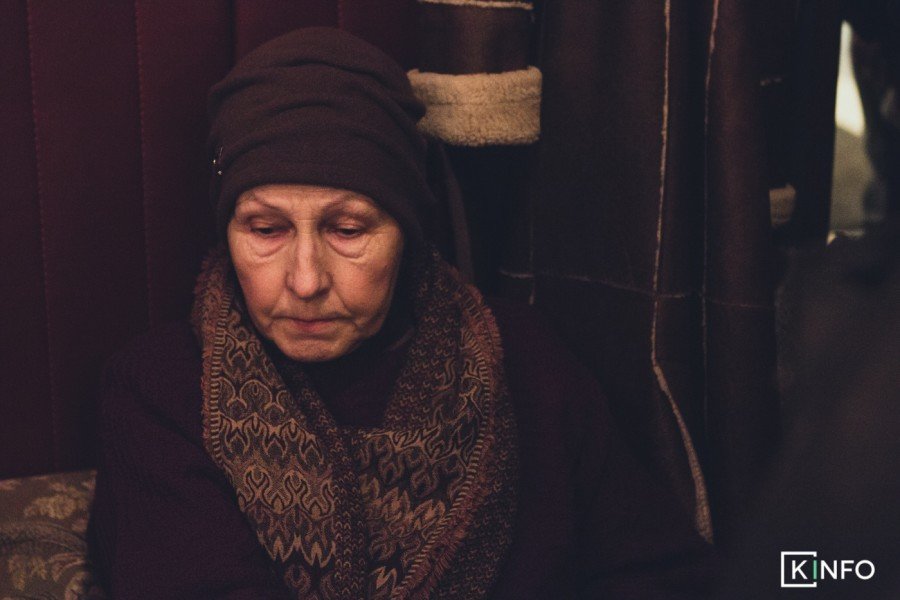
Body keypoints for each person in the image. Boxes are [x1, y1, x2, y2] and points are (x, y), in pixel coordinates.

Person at [88, 27, 712, 599]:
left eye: (348, 229)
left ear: (406, 230)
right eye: (266, 229)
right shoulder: (162, 392)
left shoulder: (525, 366)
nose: (305, 281)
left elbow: (661, 576)